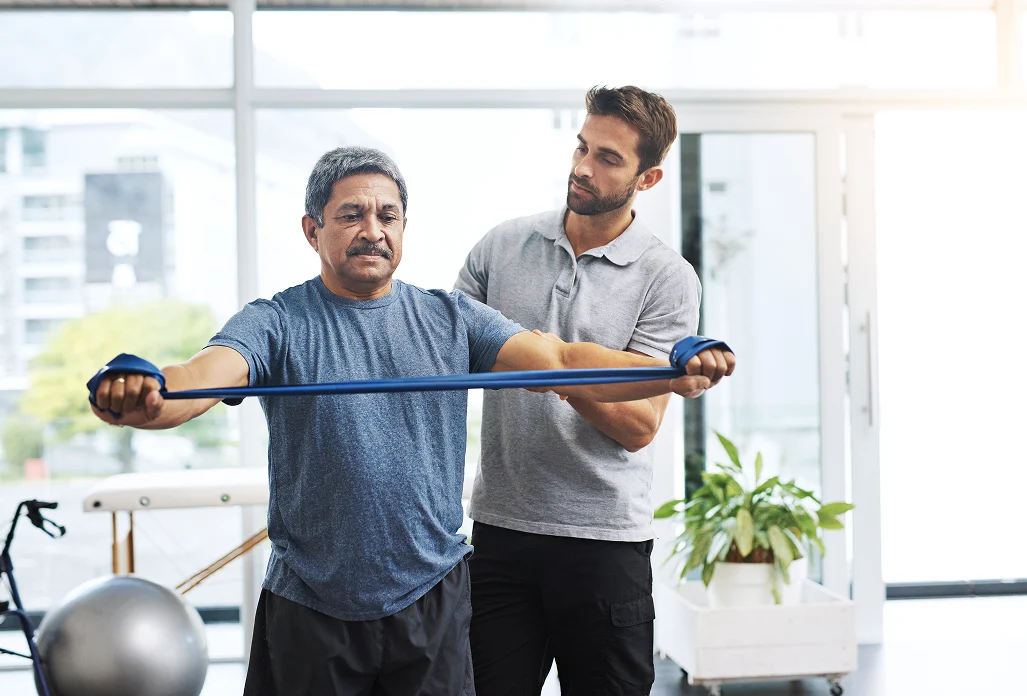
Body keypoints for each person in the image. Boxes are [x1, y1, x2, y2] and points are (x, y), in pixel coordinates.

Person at [87, 146, 732, 696]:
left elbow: (563, 360)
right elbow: (205, 375)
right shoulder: (277, 321)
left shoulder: (451, 318)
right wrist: (149, 391)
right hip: (312, 609)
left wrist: (670, 368)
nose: (373, 230)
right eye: (351, 215)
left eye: (387, 215)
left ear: (404, 228)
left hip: (431, 606)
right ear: (312, 230)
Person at [454, 86, 726, 695]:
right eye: (582, 147)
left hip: (604, 546)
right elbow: (449, 351)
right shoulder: (501, 248)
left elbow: (638, 427)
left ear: (648, 177)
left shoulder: (668, 277)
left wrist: (553, 373)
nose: (582, 167)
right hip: (502, 533)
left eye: (608, 157)